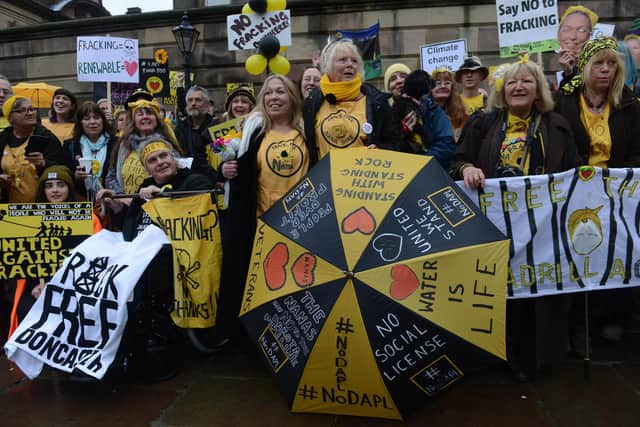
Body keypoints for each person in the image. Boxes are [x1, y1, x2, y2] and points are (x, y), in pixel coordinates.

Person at [453, 58, 578, 381]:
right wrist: (467, 169)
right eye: (511, 82)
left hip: (543, 225)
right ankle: (502, 353)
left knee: (539, 291)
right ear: (502, 90)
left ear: (538, 90)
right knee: (502, 289)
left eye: (526, 81)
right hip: (497, 225)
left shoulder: (558, 126)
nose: (518, 87)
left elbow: (574, 172)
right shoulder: (483, 122)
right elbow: (459, 159)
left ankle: (536, 358)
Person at [98, 136, 211, 381]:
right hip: (138, 256)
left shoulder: (192, 179)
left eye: (164, 156)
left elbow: (201, 193)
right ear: (146, 167)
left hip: (173, 258)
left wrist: (164, 195)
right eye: (152, 160)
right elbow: (131, 225)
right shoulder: (143, 190)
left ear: (174, 159)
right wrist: (116, 203)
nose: (160, 162)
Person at [555, 37, 640, 344]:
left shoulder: (629, 103)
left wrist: (621, 178)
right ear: (586, 66)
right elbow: (560, 140)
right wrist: (581, 173)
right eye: (599, 63)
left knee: (618, 248)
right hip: (576, 188)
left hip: (618, 192)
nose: (606, 70)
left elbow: (636, 149)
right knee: (580, 252)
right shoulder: (565, 98)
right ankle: (579, 324)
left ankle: (615, 313)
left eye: (612, 63)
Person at [219, 74, 309, 343]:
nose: (273, 97)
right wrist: (222, 168)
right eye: (268, 93)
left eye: (280, 92)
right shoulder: (255, 131)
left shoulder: (306, 130)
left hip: (300, 224)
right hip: (262, 224)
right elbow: (236, 167)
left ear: (292, 98)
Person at [8, 165, 102, 339]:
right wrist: (38, 286)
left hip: (77, 289)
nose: (55, 191)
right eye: (49, 186)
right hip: (35, 288)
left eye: (61, 184)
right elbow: (23, 262)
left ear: (69, 188)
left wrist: (54, 287)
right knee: (26, 308)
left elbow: (94, 261)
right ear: (43, 190)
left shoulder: (88, 217)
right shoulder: (26, 218)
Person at [303, 38, 402, 162]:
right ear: (329, 66)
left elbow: (396, 144)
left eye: (354, 61)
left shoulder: (377, 103)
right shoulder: (312, 102)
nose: (350, 64)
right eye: (342, 60)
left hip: (362, 177)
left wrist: (381, 150)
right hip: (326, 179)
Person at [105, 97, 183, 194]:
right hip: (127, 204)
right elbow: (111, 176)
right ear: (134, 120)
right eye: (140, 114)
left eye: (149, 113)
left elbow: (178, 175)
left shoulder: (168, 144)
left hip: (157, 203)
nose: (145, 117)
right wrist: (121, 196)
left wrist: (161, 192)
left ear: (156, 119)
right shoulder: (123, 144)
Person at [0, 96, 64, 203]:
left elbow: (63, 169)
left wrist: (44, 164)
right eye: (22, 110)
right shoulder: (2, 139)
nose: (29, 113)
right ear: (10, 117)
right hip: (7, 207)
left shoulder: (46, 138)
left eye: (31, 109)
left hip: (41, 206)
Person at [390, 70, 455, 169]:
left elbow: (447, 145)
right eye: (393, 79)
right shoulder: (385, 112)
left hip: (430, 167)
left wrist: (421, 158)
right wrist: (402, 133)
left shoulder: (433, 109)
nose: (399, 81)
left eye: (403, 76)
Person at [62, 101, 115, 200]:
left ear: (103, 121)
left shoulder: (116, 143)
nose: (92, 122)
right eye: (86, 119)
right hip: (81, 200)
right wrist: (75, 176)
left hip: (111, 200)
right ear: (80, 122)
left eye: (96, 117)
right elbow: (64, 175)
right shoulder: (70, 145)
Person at [557, 5, 598, 90]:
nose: (573, 36)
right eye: (567, 29)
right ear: (558, 34)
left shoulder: (598, 68)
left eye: (581, 30)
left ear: (590, 36)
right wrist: (568, 73)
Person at [174, 85, 218, 158]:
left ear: (207, 104)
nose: (193, 103)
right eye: (190, 100)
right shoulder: (180, 128)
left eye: (198, 100)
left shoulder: (216, 127)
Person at [431, 67, 468, 141]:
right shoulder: (422, 111)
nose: (443, 86)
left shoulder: (461, 113)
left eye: (447, 83)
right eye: (438, 83)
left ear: (452, 87)